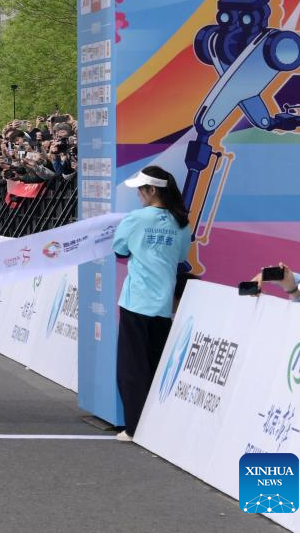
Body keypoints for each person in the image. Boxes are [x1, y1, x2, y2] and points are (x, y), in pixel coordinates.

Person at [113, 165, 191, 442]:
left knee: (132, 367)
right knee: (157, 363)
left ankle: (134, 427)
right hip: (164, 304)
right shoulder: (181, 221)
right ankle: (157, 426)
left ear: (152, 190)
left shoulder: (136, 218)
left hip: (137, 301)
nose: (138, 194)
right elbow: (181, 256)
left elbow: (119, 249)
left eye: (140, 189)